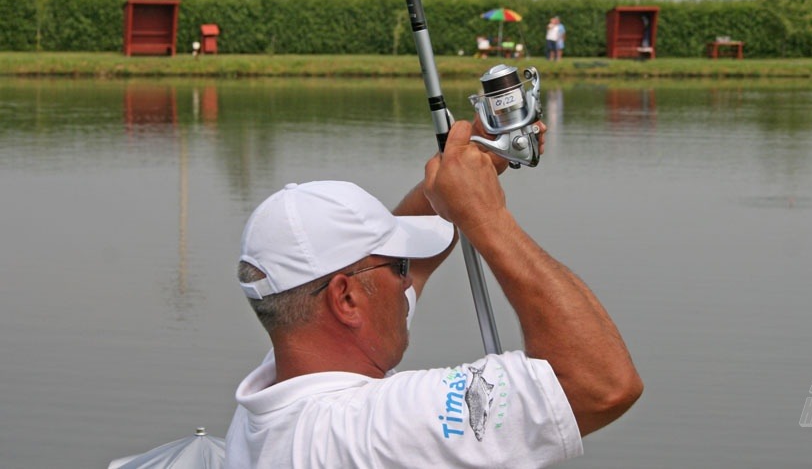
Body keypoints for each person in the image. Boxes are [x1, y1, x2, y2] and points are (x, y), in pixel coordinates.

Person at [225, 120, 643, 468]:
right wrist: (486, 216)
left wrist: (464, 174)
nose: (409, 279)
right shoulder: (378, 429)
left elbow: (408, 257)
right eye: (398, 268)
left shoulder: (273, 396)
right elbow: (602, 384)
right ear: (347, 300)